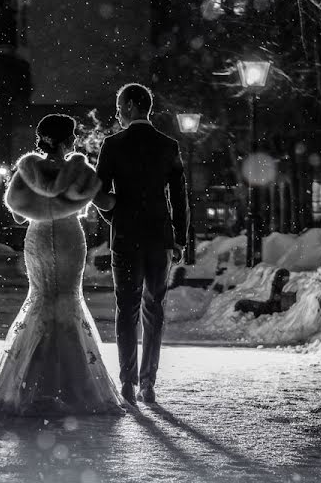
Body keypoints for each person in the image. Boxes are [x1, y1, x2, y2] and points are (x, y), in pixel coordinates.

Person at [0, 114, 124, 416]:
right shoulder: (78, 171)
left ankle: (31, 382)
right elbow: (107, 204)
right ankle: (72, 385)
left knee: (41, 299)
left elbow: (18, 216)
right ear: (68, 140)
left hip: (40, 238)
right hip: (70, 238)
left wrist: (37, 205)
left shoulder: (28, 171)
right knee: (68, 301)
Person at [95, 83, 189, 404]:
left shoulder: (112, 145)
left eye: (120, 105)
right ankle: (148, 383)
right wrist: (180, 238)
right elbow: (179, 197)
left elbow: (100, 195)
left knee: (127, 308)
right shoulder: (168, 145)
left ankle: (127, 383)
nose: (117, 112)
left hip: (125, 237)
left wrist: (117, 216)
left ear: (133, 106)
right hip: (159, 238)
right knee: (154, 309)